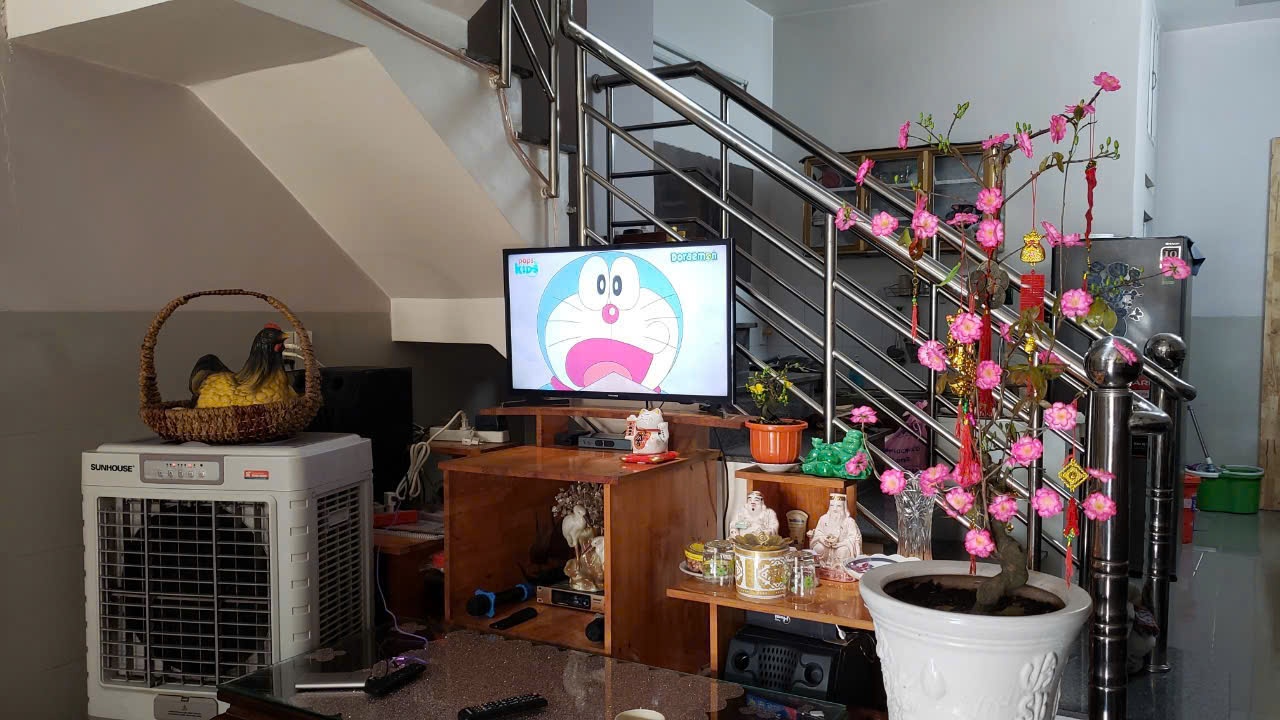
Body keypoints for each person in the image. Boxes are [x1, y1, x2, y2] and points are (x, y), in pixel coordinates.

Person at [808, 493, 862, 581]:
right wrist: (822, 539)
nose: (834, 509)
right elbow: (818, 532)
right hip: (826, 546)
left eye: (838, 506)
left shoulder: (849, 521)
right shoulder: (823, 519)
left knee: (842, 551)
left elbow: (853, 538)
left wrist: (840, 544)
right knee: (818, 548)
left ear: (844, 507)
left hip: (841, 546)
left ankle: (841, 569)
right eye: (832, 505)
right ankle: (820, 567)